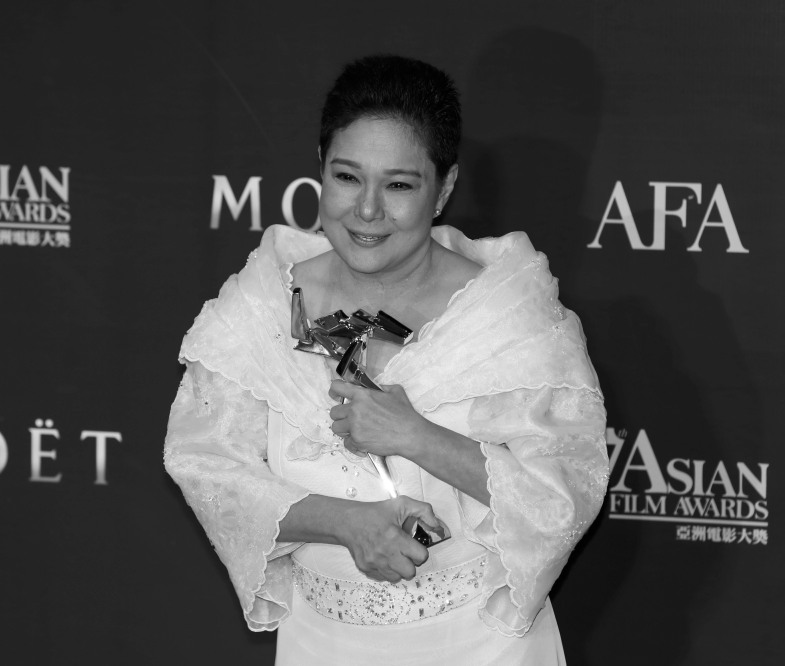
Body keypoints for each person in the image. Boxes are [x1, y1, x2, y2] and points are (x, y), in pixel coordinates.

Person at [165, 55, 607, 665]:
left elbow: (561, 496)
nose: (367, 210)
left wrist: (418, 436)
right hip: (321, 641)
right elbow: (209, 467)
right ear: (320, 169)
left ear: (444, 187)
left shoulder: (506, 316)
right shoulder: (264, 304)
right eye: (347, 177)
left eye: (399, 185)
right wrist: (344, 523)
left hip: (479, 643)